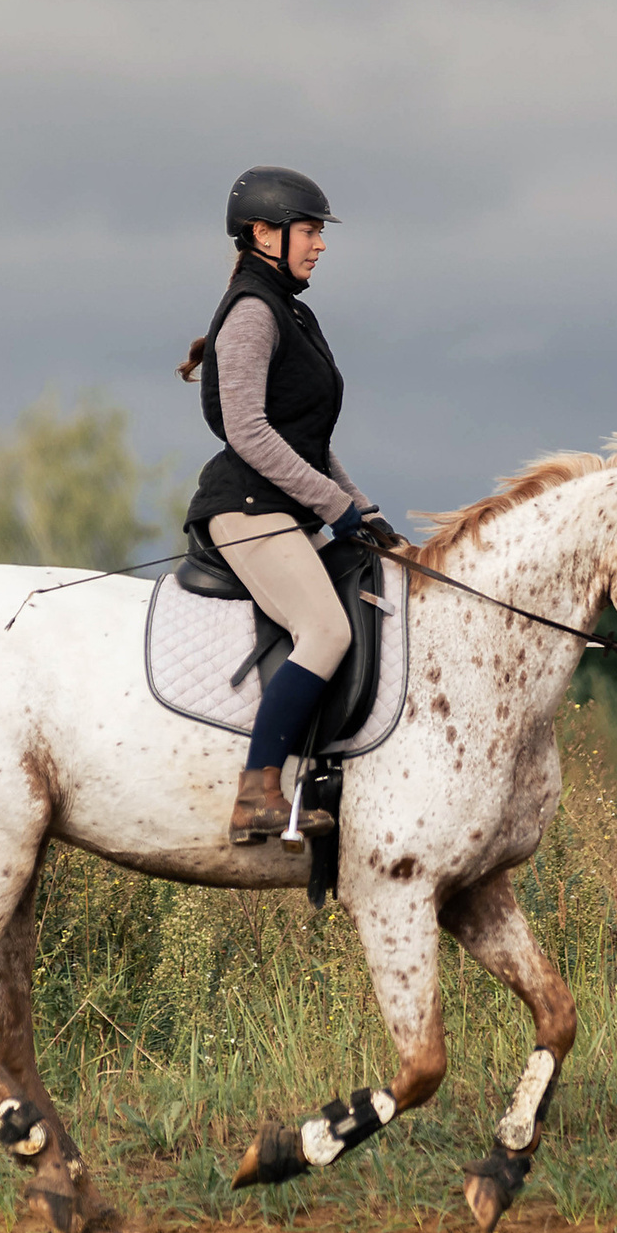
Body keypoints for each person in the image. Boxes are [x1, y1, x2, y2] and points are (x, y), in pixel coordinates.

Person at [179, 166, 402, 848]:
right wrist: (335, 506)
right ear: (264, 234)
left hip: (286, 504)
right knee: (327, 631)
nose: (320, 244)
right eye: (309, 230)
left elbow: (307, 440)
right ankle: (258, 791)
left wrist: (362, 510)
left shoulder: (293, 312)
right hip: (246, 507)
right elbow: (247, 431)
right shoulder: (252, 312)